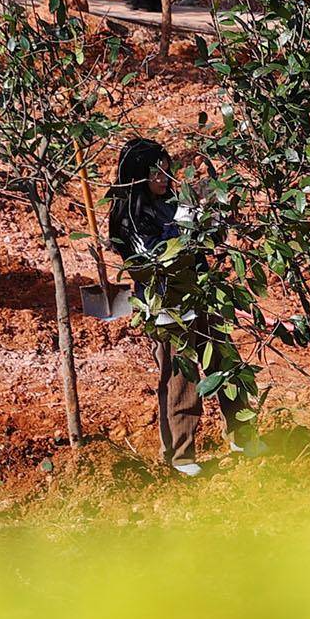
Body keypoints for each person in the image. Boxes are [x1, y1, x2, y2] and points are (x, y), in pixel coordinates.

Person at [107, 137, 240, 473]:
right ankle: (181, 455)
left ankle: (243, 433)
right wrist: (185, 225)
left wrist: (210, 219)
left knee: (225, 361)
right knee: (182, 379)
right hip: (168, 307)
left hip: (200, 295)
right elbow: (153, 255)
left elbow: (200, 242)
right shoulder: (129, 218)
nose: (164, 179)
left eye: (166, 172)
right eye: (157, 173)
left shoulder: (169, 201)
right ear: (138, 176)